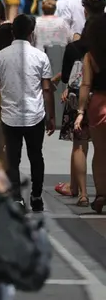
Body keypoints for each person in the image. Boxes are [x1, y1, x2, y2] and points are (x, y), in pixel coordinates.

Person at [0, 14, 55, 212]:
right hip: (35, 115)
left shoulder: (0, 56)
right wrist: (51, 116)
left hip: (10, 116)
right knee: (36, 156)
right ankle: (36, 196)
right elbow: (47, 89)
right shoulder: (41, 56)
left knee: (12, 158)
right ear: (31, 33)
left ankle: (16, 197)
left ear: (12, 32)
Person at [55, 22, 91, 207]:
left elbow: (66, 77)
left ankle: (80, 192)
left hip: (78, 99)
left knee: (79, 146)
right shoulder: (100, 48)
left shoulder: (73, 48)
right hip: (101, 99)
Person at [74, 14, 106, 213]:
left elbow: (85, 84)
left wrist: (80, 111)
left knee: (100, 153)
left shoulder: (91, 56)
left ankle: (101, 194)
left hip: (98, 104)